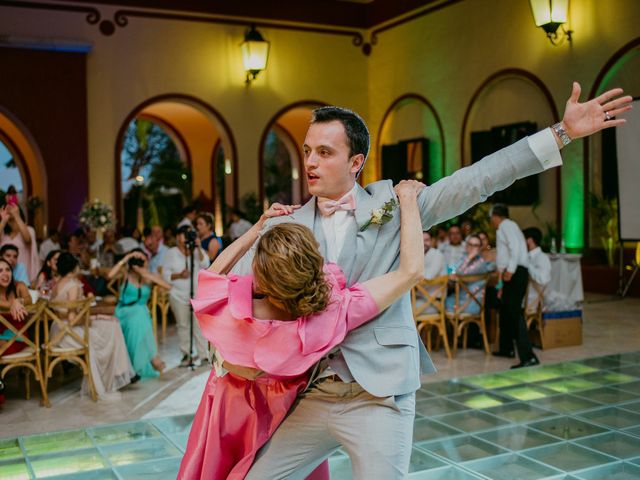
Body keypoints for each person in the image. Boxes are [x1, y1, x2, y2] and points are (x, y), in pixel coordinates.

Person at [224, 84, 631, 479]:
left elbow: (477, 180)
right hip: (312, 393)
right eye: (308, 151)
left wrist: (561, 134)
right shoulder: (287, 223)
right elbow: (234, 295)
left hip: (380, 397)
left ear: (355, 163)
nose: (310, 162)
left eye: (325, 152)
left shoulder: (395, 204)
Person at [179, 180, 425, 480]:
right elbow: (410, 271)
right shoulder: (334, 312)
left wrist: (256, 229)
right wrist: (408, 198)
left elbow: (210, 276)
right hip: (283, 409)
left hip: (236, 408)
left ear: (263, 278)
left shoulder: (238, 312)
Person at [50, 252, 135, 397]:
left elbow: (61, 313)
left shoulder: (57, 284)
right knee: (112, 327)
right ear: (75, 267)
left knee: (111, 324)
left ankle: (118, 371)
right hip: (68, 333)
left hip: (57, 329)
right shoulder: (73, 286)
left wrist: (95, 317)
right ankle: (115, 375)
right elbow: (72, 318)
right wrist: (90, 319)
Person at [491, 204, 538, 368]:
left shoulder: (507, 225)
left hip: (516, 272)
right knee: (505, 310)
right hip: (511, 272)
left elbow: (515, 248)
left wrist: (509, 270)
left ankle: (528, 356)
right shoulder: (507, 227)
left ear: (495, 216)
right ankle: (506, 348)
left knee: (514, 312)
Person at [110, 249, 169, 378]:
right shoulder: (125, 274)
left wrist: (144, 273)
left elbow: (167, 286)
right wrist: (126, 258)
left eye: (143, 260)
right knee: (140, 314)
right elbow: (110, 275)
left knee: (140, 314)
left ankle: (140, 364)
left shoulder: (149, 276)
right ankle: (154, 358)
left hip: (140, 313)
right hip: (124, 311)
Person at [162, 226, 210, 367]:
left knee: (198, 326)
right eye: (184, 234)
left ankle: (203, 355)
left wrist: (198, 247)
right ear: (177, 237)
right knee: (183, 325)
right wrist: (179, 275)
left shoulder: (195, 251)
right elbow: (165, 275)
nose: (186, 237)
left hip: (197, 295)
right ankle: (186, 354)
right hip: (178, 295)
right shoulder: (171, 253)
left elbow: (206, 264)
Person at [445, 234, 494, 315]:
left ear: (480, 248)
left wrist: (469, 257)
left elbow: (460, 273)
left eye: (476, 245)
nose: (472, 247)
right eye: (470, 244)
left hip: (472, 303)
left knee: (444, 303)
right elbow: (453, 271)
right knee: (443, 300)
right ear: (466, 245)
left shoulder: (480, 263)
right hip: (460, 299)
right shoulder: (463, 258)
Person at [0, 258, 32, 357]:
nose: (5, 273)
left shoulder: (19, 286)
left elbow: (29, 299)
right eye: (0, 271)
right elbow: (4, 305)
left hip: (18, 336)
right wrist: (14, 302)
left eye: (8, 270)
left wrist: (19, 301)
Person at [0, 203, 39, 283]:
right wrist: (3, 220)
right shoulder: (3, 233)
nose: (9, 211)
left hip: (23, 273)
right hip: (4, 273)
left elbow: (27, 239)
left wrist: (16, 216)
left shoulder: (29, 230)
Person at [523, 227, 551, 314]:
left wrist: (527, 264)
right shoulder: (526, 257)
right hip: (523, 295)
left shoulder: (542, 258)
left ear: (529, 240)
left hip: (532, 300)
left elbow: (543, 279)